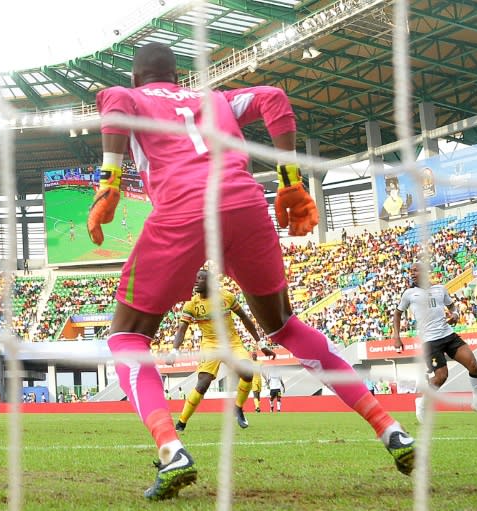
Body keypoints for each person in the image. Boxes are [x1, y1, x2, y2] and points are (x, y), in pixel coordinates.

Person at [88, 42, 414, 500]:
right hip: (243, 204)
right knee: (284, 326)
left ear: (138, 76)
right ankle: (391, 429)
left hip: (182, 212)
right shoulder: (215, 99)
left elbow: (114, 101)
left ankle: (171, 449)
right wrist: (290, 182)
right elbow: (274, 99)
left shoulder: (133, 96)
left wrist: (110, 183)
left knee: (127, 336)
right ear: (177, 76)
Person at [393, 261, 477, 423]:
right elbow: (397, 314)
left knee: (474, 365)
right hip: (430, 342)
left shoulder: (440, 289)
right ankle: (422, 401)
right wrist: (397, 337)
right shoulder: (409, 294)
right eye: (410, 271)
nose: (412, 273)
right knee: (441, 376)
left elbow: (452, 307)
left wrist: (455, 314)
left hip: (448, 335)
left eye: (416, 270)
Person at [171, 269, 262, 431]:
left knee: (248, 373)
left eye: (200, 278)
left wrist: (259, 342)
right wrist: (174, 350)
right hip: (210, 345)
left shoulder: (226, 297)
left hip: (232, 343)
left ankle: (238, 407)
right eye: (195, 278)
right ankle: (181, 422)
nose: (196, 281)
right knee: (203, 383)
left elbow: (244, 318)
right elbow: (181, 329)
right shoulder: (191, 304)